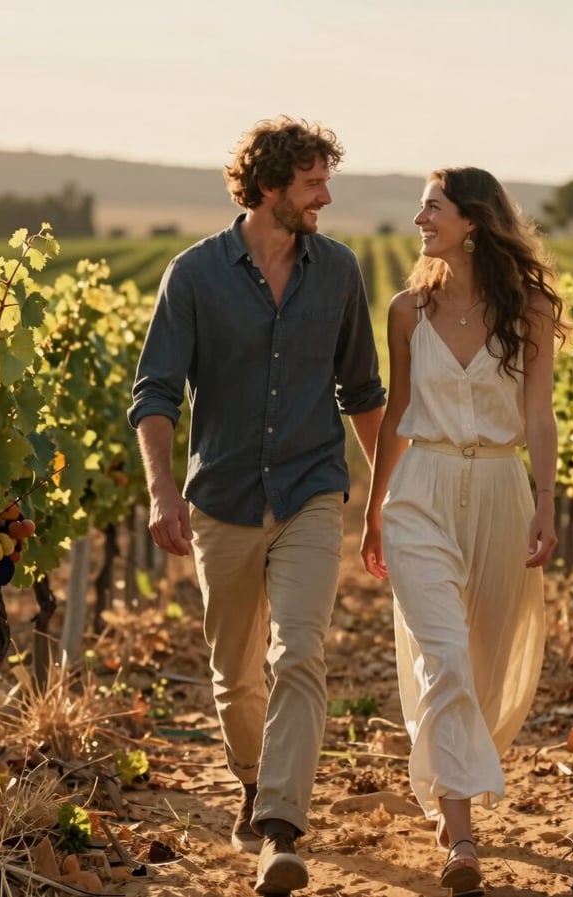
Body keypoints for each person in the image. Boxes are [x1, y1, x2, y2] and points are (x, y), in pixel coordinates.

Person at [128, 116, 386, 896]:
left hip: (311, 491)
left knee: (298, 651)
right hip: (224, 499)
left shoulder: (338, 271)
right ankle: (251, 778)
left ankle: (280, 824)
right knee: (236, 675)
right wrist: (162, 491)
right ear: (270, 185)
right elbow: (155, 393)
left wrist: (386, 498)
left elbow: (363, 392)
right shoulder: (195, 275)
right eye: (313, 184)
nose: (326, 197)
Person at [361, 167, 564, 895]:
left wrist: (546, 504)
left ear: (473, 221)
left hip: (503, 488)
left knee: (479, 661)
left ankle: (454, 786)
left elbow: (539, 416)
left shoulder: (531, 309)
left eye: (433, 207)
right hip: (423, 490)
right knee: (443, 657)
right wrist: (374, 509)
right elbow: (396, 412)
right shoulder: (407, 311)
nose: (420, 218)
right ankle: (463, 832)